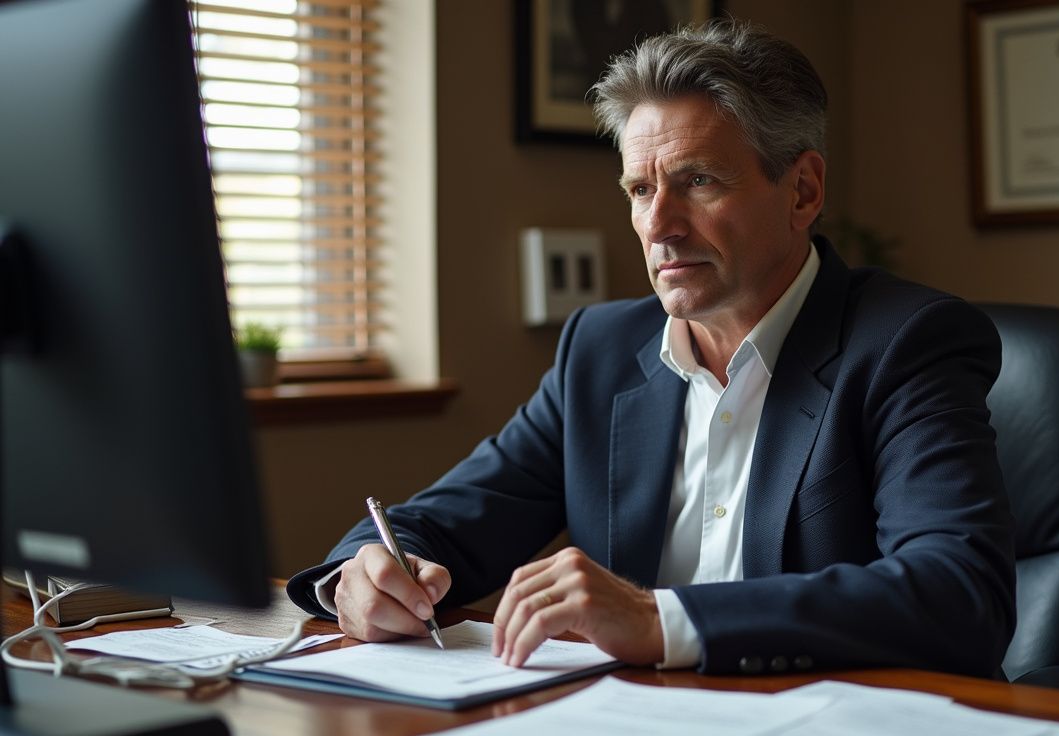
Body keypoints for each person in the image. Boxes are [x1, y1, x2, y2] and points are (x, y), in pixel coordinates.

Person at [287, 20, 1016, 678]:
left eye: (697, 181)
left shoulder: (906, 344)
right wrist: (365, 572)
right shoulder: (600, 351)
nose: (658, 225)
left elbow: (957, 594)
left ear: (802, 191)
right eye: (640, 189)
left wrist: (657, 622)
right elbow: (443, 519)